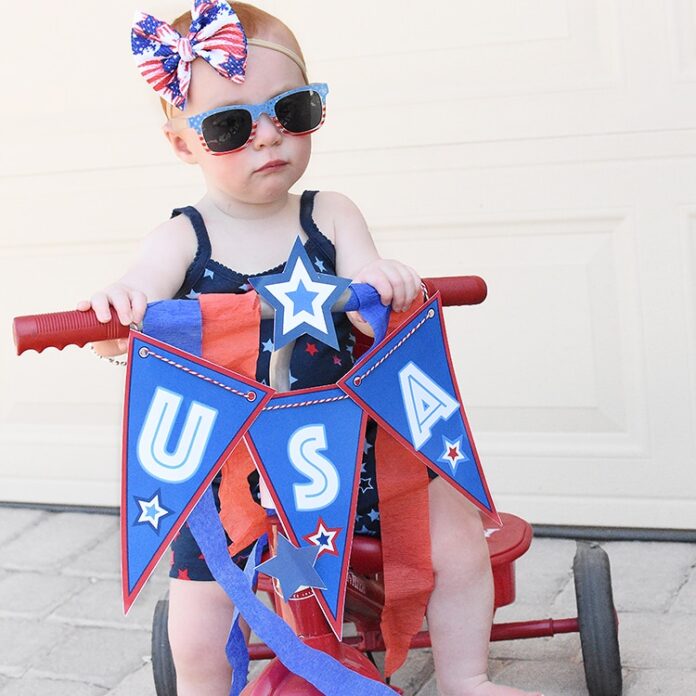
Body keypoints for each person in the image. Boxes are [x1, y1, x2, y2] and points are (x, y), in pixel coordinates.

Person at [79, 3, 541, 695]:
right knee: (196, 620)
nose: (268, 138)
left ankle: (464, 675)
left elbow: (366, 271)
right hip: (235, 470)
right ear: (184, 145)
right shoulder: (182, 239)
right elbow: (136, 296)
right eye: (231, 126)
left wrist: (383, 278)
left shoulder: (330, 214)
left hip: (354, 451)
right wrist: (121, 311)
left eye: (290, 111)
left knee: (455, 533)